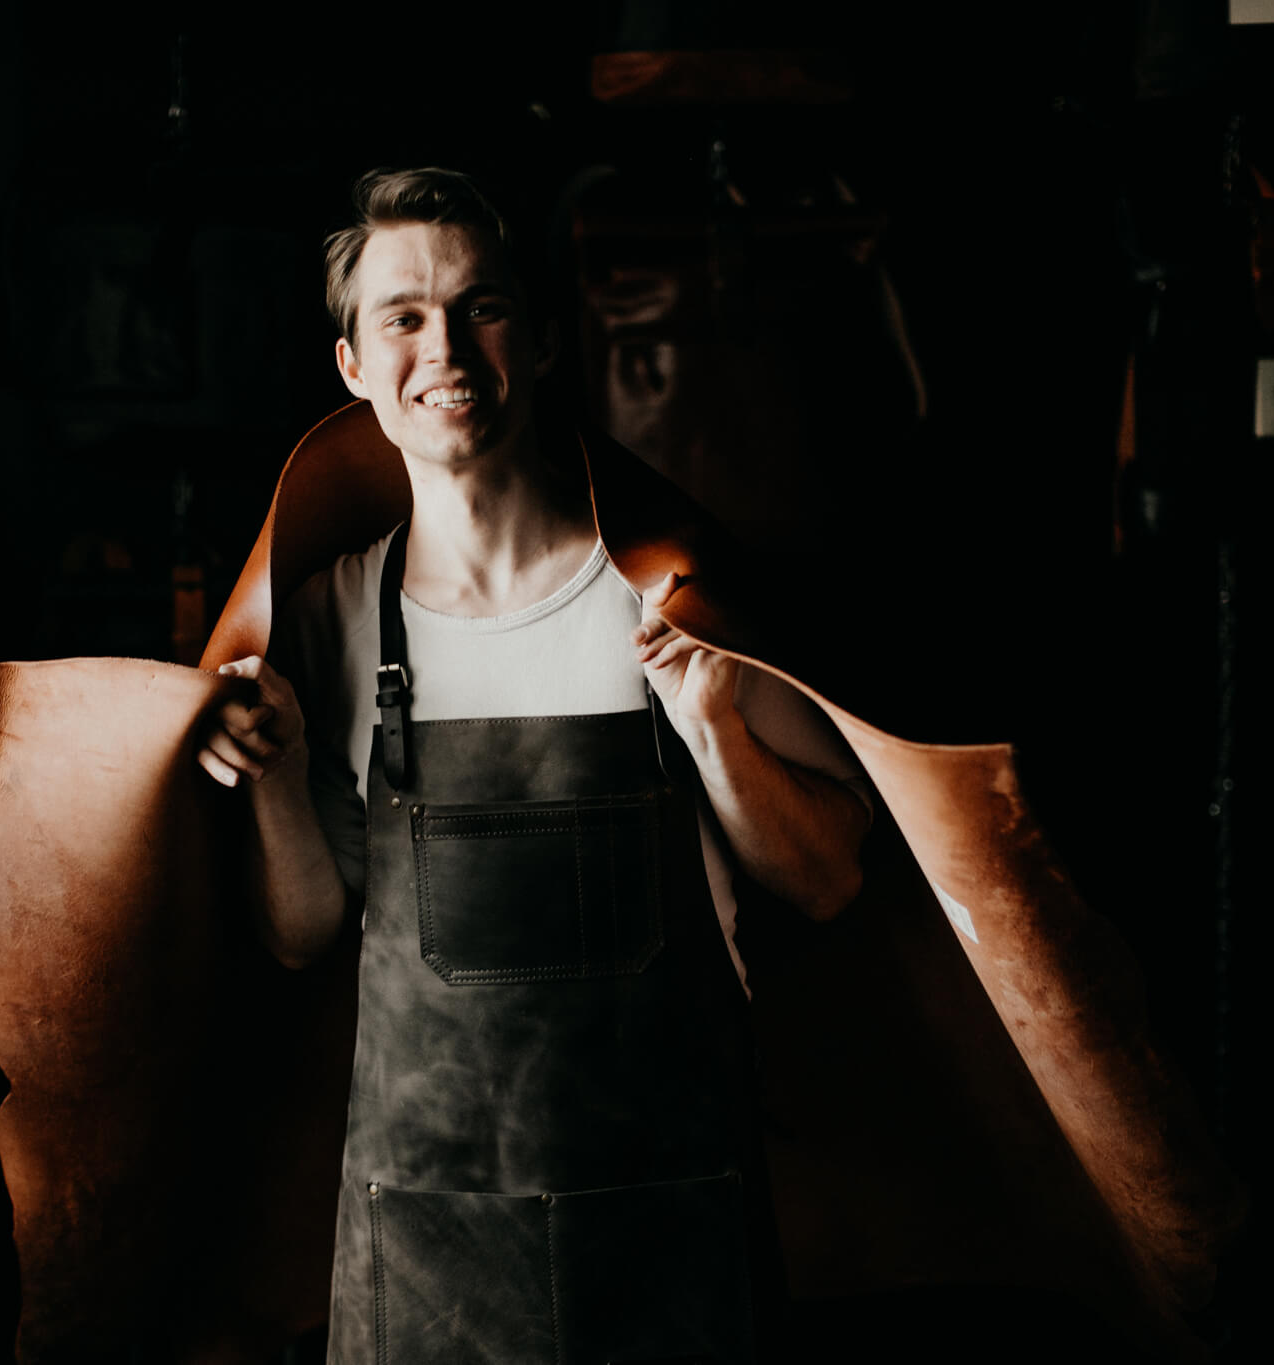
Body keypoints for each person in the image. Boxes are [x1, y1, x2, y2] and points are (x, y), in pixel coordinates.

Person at [197, 167, 873, 1364]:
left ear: (541, 340)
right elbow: (303, 932)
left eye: (482, 307)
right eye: (401, 315)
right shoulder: (326, 622)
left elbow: (828, 878)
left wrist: (712, 728)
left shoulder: (667, 589)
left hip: (672, 1244)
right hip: (424, 1253)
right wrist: (271, 781)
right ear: (353, 367)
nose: (444, 345)